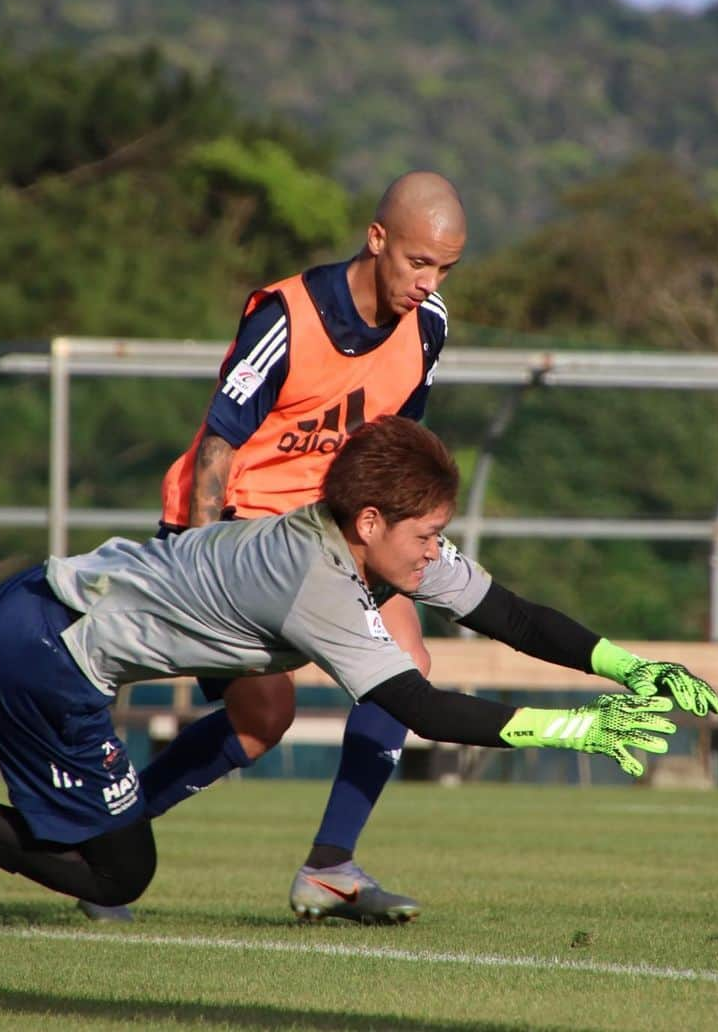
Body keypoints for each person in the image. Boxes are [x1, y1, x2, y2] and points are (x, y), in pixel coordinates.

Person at [0, 417, 718, 916]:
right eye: (425, 537)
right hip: (53, 657)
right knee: (115, 875)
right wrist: (576, 728)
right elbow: (421, 707)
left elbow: (511, 615)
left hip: (25, 603)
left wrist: (630, 667)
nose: (435, 556)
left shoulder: (375, 542)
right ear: (375, 519)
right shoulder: (320, 584)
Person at [127, 170, 466, 924]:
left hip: (335, 526)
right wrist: (201, 558)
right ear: (377, 239)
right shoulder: (288, 314)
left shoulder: (429, 324)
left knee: (405, 668)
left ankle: (330, 867)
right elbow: (218, 443)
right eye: (418, 262)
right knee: (262, 719)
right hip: (236, 528)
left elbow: (394, 441)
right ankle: (104, 835)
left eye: (445, 268)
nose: (429, 282)